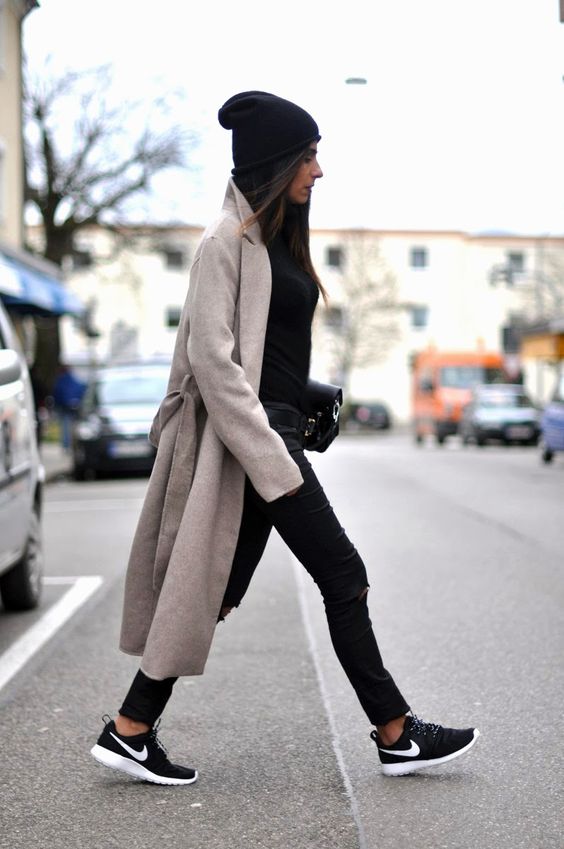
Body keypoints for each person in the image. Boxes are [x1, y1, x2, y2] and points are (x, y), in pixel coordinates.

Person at [90, 91, 480, 785]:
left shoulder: (272, 242)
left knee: (217, 590)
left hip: (272, 433)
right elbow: (213, 363)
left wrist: (309, 394)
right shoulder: (223, 243)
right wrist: (273, 452)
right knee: (344, 575)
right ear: (275, 162)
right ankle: (396, 733)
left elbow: (262, 355)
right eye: (308, 157)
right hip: (257, 446)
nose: (318, 171)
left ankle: (131, 726)